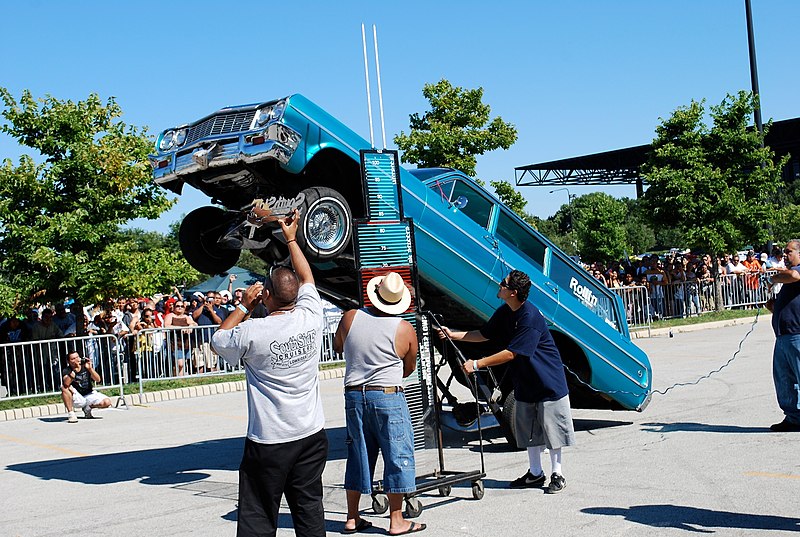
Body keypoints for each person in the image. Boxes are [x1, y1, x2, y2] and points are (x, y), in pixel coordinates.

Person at [212, 209, 327, 537]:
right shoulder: (311, 314)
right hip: (310, 433)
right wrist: (290, 237)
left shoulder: (254, 330)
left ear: (267, 296)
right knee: (309, 509)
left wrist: (244, 306)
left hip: (270, 440)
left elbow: (219, 341)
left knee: (259, 514)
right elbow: (307, 279)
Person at [437, 270, 575, 494]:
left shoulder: (530, 317)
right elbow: (484, 334)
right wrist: (453, 334)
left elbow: (512, 353)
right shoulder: (505, 312)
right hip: (526, 381)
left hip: (548, 382)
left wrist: (478, 364)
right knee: (529, 430)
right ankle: (535, 473)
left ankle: (557, 474)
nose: (499, 285)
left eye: (503, 284)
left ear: (513, 292)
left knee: (553, 431)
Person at [334, 272, 425, 535]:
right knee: (396, 454)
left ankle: (352, 517)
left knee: (358, 454)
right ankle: (397, 521)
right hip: (387, 395)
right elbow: (408, 368)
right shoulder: (404, 329)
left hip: (354, 395)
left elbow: (338, 346)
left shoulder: (350, 317)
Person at [765, 240, 800, 432]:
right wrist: (774, 306)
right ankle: (794, 417)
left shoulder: (795, 272)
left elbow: (793, 275)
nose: (785, 256)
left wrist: (773, 278)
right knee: (784, 379)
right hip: (783, 335)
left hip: (797, 334)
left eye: (789, 252)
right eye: (784, 253)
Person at [61, 349, 112, 423]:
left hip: (89, 393)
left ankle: (88, 407)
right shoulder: (67, 370)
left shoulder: (85, 366)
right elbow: (65, 384)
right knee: (64, 388)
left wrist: (90, 369)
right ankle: (71, 414)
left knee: (107, 402)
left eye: (77, 357)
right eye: (73, 359)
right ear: (69, 361)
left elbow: (98, 380)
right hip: (77, 396)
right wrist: (73, 373)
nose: (76, 360)